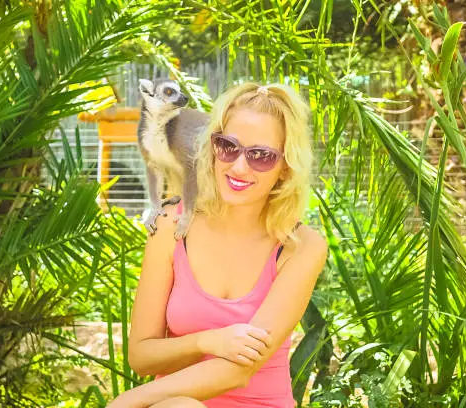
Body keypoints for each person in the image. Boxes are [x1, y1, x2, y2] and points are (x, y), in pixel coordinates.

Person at [107, 82, 328, 407]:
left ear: (285, 167)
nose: (239, 166)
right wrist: (206, 341)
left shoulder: (301, 246)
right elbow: (141, 355)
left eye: (261, 156)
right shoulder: (171, 225)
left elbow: (239, 370)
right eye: (228, 146)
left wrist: (126, 401)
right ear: (212, 147)